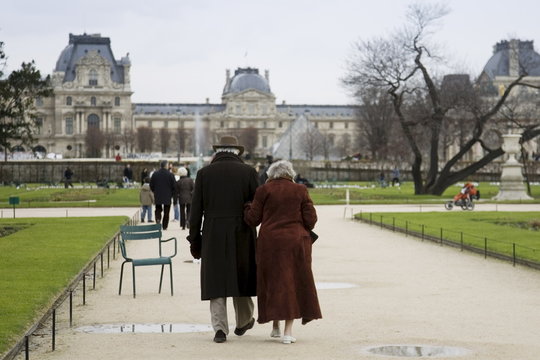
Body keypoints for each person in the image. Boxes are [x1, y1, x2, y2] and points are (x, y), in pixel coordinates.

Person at [187, 135, 259, 343]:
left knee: (216, 278)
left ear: (217, 151)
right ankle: (244, 320)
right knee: (242, 275)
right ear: (237, 151)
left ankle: (220, 328)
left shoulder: (204, 173)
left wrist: (194, 238)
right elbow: (257, 206)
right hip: (242, 230)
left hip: (213, 230)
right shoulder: (249, 172)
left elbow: (196, 211)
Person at [244, 160, 321, 344]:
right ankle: (287, 332)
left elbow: (253, 219)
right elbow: (311, 219)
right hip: (295, 243)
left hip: (269, 242)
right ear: (290, 174)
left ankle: (275, 326)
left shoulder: (264, 190)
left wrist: (247, 206)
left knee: (272, 281)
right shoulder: (300, 190)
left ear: (271, 175)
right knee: (291, 283)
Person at [150, 160, 176, 230]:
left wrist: (154, 191)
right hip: (167, 195)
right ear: (166, 166)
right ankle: (165, 226)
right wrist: (171, 194)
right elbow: (174, 186)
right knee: (166, 212)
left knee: (158, 209)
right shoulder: (170, 174)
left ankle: (158, 219)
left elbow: (151, 185)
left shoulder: (155, 174)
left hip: (158, 194)